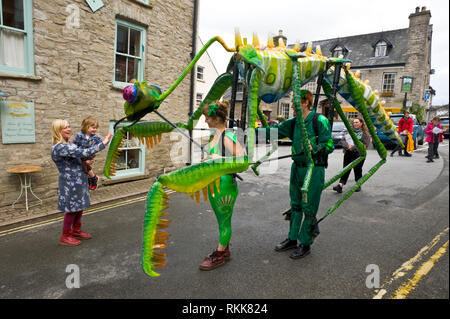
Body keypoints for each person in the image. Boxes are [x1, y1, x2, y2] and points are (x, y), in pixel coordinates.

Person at [259, 90, 334, 259]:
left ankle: (305, 243)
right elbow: (273, 132)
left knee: (308, 207)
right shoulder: (293, 123)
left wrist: (314, 147)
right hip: (296, 168)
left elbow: (329, 145)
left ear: (306, 102)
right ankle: (292, 238)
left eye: (295, 102)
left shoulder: (319, 120)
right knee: (295, 204)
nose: (292, 105)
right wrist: (249, 129)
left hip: (313, 169)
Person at [198, 101, 246, 270]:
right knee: (221, 221)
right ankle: (224, 250)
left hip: (225, 186)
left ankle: (219, 255)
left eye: (207, 118)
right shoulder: (215, 137)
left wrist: (218, 159)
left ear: (217, 119)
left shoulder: (227, 136)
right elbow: (214, 159)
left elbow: (243, 160)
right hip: (215, 185)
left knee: (224, 222)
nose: (205, 121)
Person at [51, 119, 112, 246]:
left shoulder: (68, 144)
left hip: (79, 180)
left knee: (79, 207)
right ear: (58, 130)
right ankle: (65, 236)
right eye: (66, 127)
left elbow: (79, 157)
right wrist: (104, 142)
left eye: (69, 126)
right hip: (70, 183)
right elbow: (83, 152)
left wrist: (85, 162)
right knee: (72, 209)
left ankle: (76, 231)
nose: (69, 129)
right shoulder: (60, 147)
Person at [332, 117, 371, 193]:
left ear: (361, 123)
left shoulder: (365, 134)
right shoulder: (349, 132)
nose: (355, 124)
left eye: (357, 122)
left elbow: (365, 145)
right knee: (345, 169)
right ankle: (340, 185)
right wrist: (347, 146)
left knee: (357, 170)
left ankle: (358, 184)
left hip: (359, 154)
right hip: (348, 153)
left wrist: (353, 147)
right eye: (354, 122)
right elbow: (343, 140)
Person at [73, 117, 102, 190]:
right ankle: (93, 177)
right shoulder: (79, 135)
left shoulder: (95, 137)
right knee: (83, 164)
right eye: (93, 127)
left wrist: (95, 150)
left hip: (89, 154)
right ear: (86, 126)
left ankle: (90, 179)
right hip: (80, 154)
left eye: (96, 128)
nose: (95, 129)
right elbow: (74, 144)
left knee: (83, 164)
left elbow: (101, 144)